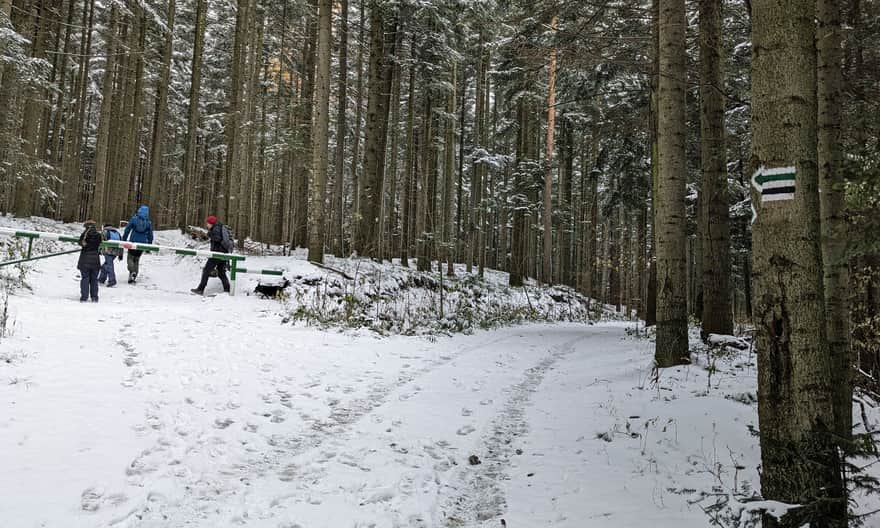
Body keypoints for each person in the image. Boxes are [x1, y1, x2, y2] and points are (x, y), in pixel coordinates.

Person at [191, 215, 231, 295]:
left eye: (208, 223)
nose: (207, 225)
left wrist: (209, 234)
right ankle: (227, 289)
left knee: (206, 270)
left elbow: (217, 238)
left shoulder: (215, 229)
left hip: (217, 253)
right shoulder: (218, 227)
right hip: (223, 253)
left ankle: (200, 289)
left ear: (211, 223)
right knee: (221, 272)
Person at [122, 204, 154, 284]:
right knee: (136, 259)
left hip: (133, 241)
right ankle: (133, 276)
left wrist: (124, 239)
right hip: (142, 244)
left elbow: (127, 229)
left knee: (130, 258)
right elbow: (150, 235)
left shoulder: (134, 219)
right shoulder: (148, 222)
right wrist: (148, 246)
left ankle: (132, 271)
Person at [77, 220, 103, 302]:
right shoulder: (99, 235)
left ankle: (84, 297)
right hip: (95, 260)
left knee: (85, 278)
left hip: (85, 259)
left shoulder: (85, 234)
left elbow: (80, 243)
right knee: (94, 279)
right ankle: (94, 297)